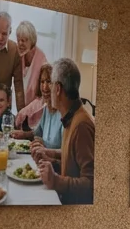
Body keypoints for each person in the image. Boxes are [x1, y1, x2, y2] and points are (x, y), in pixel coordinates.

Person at [36, 58, 94, 204]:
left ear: (58, 89)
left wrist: (55, 181)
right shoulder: (70, 117)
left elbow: (91, 184)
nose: (47, 88)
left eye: (51, 83)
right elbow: (72, 165)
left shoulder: (81, 126)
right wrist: (50, 158)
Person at [14, 63, 63, 151]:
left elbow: (66, 151)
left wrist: (45, 147)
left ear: (58, 87)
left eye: (49, 82)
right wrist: (23, 134)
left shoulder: (63, 113)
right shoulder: (46, 108)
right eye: (42, 82)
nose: (45, 87)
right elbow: (38, 132)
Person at [13, 20, 47, 127]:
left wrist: (25, 111)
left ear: (32, 41)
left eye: (24, 40)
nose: (20, 43)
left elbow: (43, 97)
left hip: (36, 120)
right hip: (19, 116)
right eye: (19, 40)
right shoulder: (19, 56)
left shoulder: (42, 61)